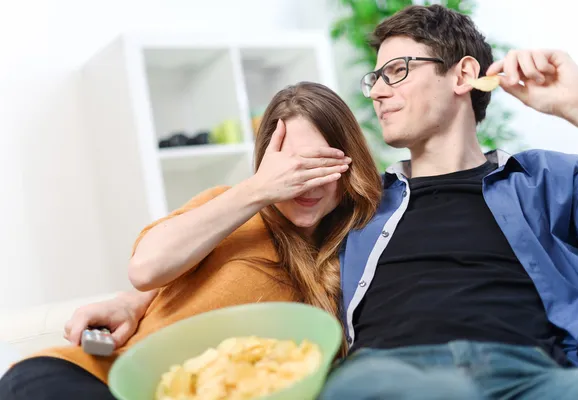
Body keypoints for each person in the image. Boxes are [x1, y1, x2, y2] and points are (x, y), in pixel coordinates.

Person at [0, 82, 381, 399]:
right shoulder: (229, 208)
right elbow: (146, 269)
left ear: (349, 161)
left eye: (320, 164)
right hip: (93, 380)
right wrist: (257, 190)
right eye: (290, 165)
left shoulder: (359, 248)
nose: (304, 182)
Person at [318, 4, 578, 400]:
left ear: (464, 75)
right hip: (390, 377)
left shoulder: (551, 180)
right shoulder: (358, 204)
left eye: (397, 71)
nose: (378, 92)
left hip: (533, 379)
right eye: (376, 79)